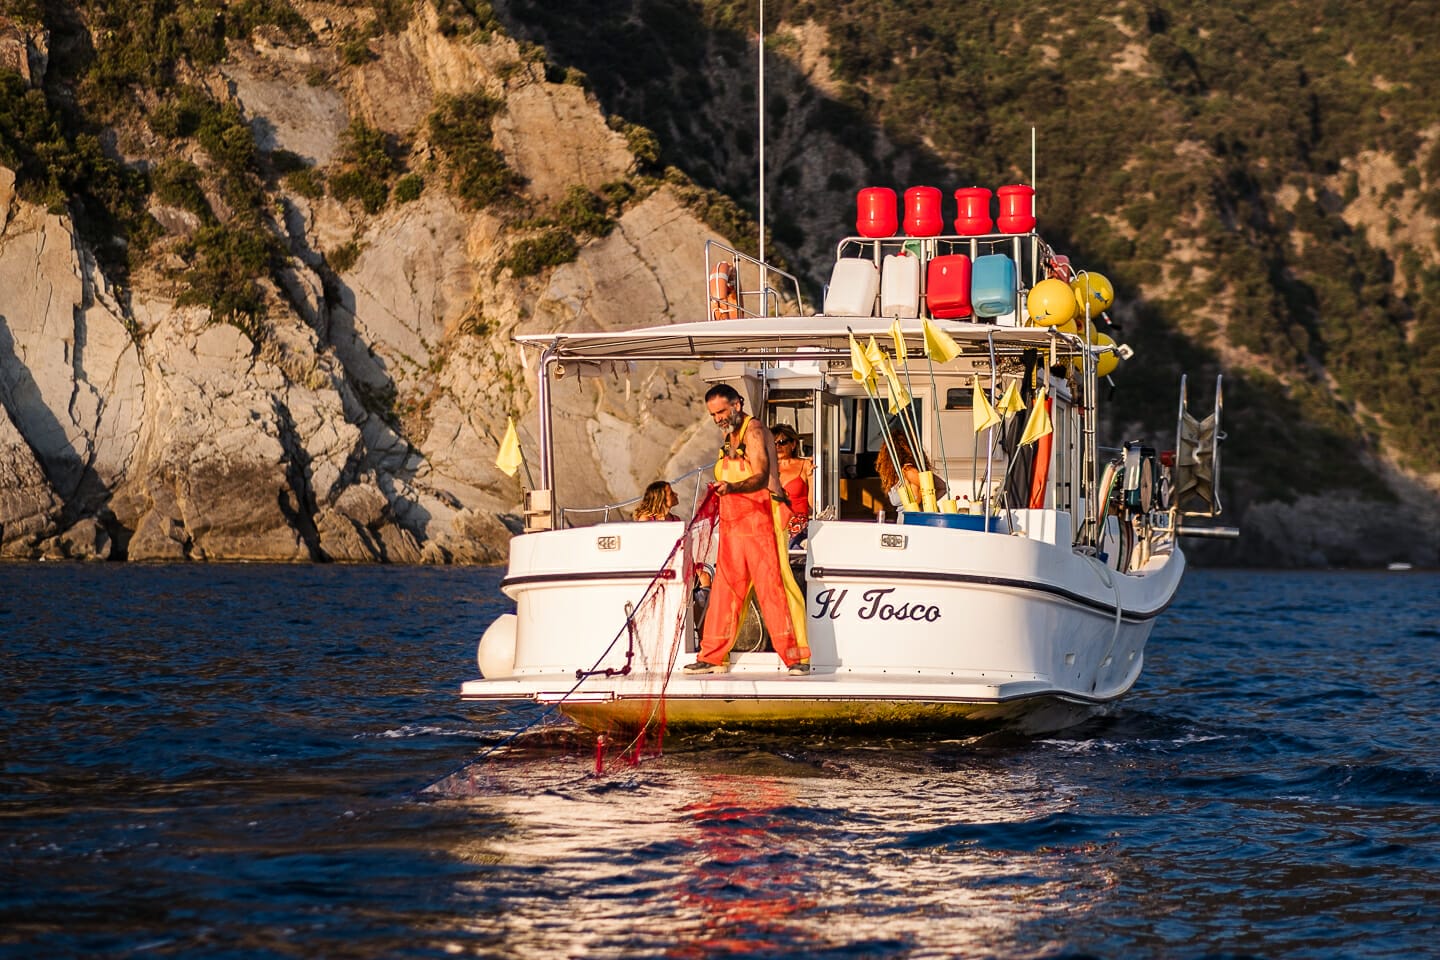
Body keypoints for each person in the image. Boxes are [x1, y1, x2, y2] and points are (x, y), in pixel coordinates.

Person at [683, 384, 811, 676]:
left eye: (722, 412)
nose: (718, 418)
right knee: (725, 591)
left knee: (774, 588)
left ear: (737, 404)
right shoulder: (729, 436)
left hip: (763, 519)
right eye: (713, 414)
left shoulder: (754, 432)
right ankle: (712, 656)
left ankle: (796, 657)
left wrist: (731, 488)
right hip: (733, 524)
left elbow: (761, 476)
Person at [876, 427, 946, 512]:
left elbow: (939, 487)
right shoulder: (896, 475)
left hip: (913, 521)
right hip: (907, 520)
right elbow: (942, 487)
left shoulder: (909, 471)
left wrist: (924, 502)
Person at [770, 423, 812, 548]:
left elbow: (812, 504)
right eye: (774, 443)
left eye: (782, 442)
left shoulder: (805, 465)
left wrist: (811, 476)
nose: (778, 446)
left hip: (797, 529)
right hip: (772, 525)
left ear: (793, 444)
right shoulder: (766, 468)